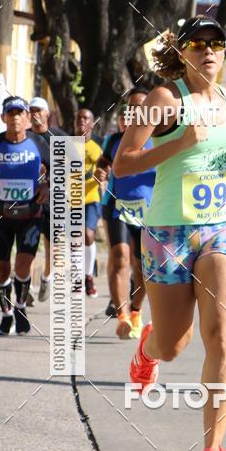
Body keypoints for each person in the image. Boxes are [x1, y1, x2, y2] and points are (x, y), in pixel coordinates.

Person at [113, 15, 226, 451]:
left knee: (221, 335)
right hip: (166, 230)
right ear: (182, 52)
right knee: (174, 343)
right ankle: (148, 348)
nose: (208, 50)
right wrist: (179, 142)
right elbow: (123, 164)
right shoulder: (164, 99)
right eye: (198, 43)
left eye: (216, 43)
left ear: (224, 53)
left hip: (221, 228)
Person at [0, 96, 49, 334]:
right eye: (11, 113)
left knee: (22, 267)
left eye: (20, 113)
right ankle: (6, 315)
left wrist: (46, 185)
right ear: (3, 118)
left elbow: (59, 172)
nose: (16, 117)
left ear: (28, 118)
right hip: (1, 216)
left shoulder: (39, 143)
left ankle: (20, 308)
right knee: (0, 269)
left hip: (30, 216)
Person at [96, 90, 154, 339]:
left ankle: (136, 311)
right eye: (131, 107)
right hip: (116, 204)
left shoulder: (160, 139)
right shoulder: (115, 139)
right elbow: (102, 163)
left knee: (143, 269)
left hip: (150, 210)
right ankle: (122, 316)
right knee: (120, 257)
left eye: (140, 107)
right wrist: (100, 173)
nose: (135, 111)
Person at [29, 96, 68, 301]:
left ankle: (46, 277)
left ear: (47, 114)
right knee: (28, 243)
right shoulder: (23, 137)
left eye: (38, 110)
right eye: (31, 110)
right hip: (29, 199)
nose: (34, 114)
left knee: (51, 244)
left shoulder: (59, 137)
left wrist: (51, 177)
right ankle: (25, 286)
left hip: (55, 200)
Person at [75, 108, 103, 297]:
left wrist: (102, 177)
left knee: (87, 234)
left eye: (86, 118)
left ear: (92, 123)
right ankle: (78, 280)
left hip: (92, 198)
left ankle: (88, 276)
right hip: (71, 201)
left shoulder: (97, 148)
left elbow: (104, 173)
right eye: (79, 118)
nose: (82, 121)